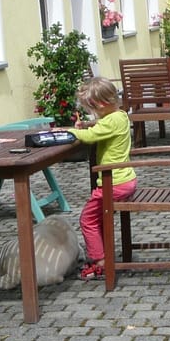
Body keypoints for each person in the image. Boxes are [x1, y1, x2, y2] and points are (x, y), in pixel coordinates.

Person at [64, 77, 135, 280]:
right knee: (98, 218)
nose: (92, 113)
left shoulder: (111, 121)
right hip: (125, 180)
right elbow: (101, 125)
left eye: (92, 108)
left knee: (87, 219)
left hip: (113, 183)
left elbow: (91, 136)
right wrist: (87, 123)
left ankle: (100, 262)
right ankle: (104, 255)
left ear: (102, 104)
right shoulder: (120, 116)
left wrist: (67, 131)